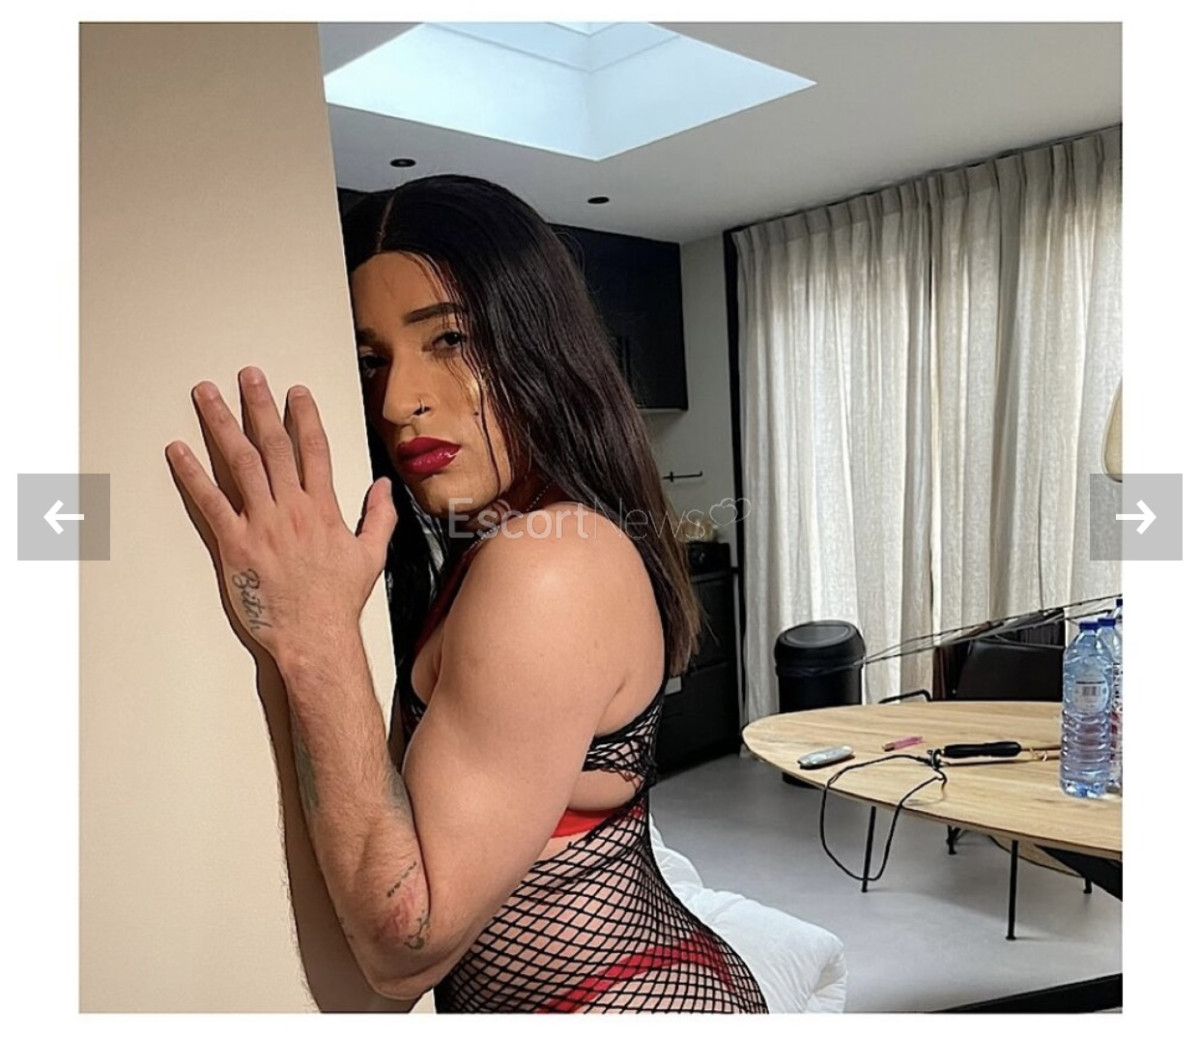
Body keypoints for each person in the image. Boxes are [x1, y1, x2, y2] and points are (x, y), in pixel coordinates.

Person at [341, 174, 769, 1013]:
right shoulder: (493, 545)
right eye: (371, 361)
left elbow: (403, 945)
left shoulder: (551, 562)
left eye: (450, 338)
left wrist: (316, 636)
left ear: (537, 344)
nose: (397, 401)